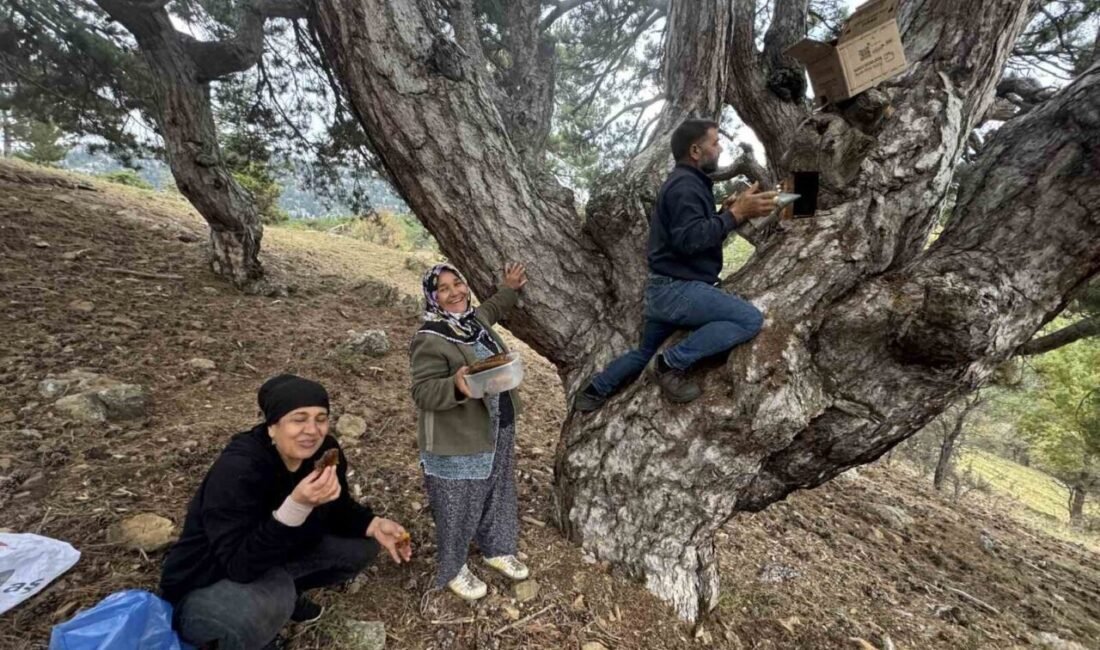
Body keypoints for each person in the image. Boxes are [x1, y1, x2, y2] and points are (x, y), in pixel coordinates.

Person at [160, 374, 412, 650]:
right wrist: (298, 505)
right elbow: (238, 564)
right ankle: (239, 621)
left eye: (321, 418)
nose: (312, 430)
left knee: (362, 546)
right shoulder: (239, 469)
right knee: (275, 593)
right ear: (271, 426)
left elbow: (336, 508)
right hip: (210, 577)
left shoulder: (325, 451)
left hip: (275, 553)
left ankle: (278, 596)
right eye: (299, 419)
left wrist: (374, 524)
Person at [574, 118, 778, 411]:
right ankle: (670, 364)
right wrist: (736, 215)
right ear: (696, 150)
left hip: (663, 291)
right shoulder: (685, 186)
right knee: (749, 320)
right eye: (715, 143)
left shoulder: (689, 183)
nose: (720, 148)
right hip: (677, 290)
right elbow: (691, 240)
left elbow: (692, 233)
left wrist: (726, 212)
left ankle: (594, 390)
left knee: (643, 352)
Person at [410, 261, 529, 600]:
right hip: (459, 436)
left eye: (457, 283)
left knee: (497, 488)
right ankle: (453, 568)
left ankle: (496, 549)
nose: (455, 293)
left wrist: (509, 288)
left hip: (499, 423)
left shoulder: (473, 323)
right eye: (443, 289)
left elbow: (491, 308)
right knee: (457, 503)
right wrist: (456, 386)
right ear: (433, 297)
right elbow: (422, 392)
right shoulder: (430, 338)